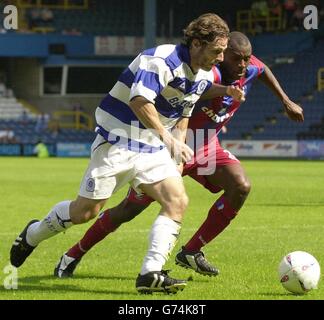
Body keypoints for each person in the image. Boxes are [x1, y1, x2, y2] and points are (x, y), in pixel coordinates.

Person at [10, 13, 244, 294]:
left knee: (177, 200)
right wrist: (168, 139)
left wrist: (176, 149)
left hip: (153, 147)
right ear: (196, 43)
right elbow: (139, 101)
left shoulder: (203, 74)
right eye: (217, 51)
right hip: (117, 142)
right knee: (84, 212)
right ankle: (32, 234)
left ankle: (150, 273)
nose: (220, 58)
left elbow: (183, 113)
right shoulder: (160, 60)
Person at [53, 31, 304, 279]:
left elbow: (262, 71)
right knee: (129, 210)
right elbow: (195, 90)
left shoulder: (247, 66)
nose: (243, 65)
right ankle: (73, 253)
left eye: (246, 59)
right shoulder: (208, 72)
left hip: (205, 146)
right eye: (236, 58)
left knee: (240, 185)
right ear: (221, 54)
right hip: (171, 147)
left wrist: (285, 101)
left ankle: (192, 251)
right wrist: (225, 91)